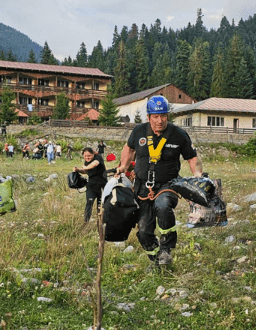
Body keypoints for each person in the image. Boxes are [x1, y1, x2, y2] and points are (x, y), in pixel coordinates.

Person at [115, 95, 201, 267]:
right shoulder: (139, 131)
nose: (160, 120)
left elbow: (192, 157)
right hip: (142, 188)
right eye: (155, 116)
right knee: (144, 230)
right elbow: (129, 149)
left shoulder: (178, 134)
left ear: (167, 116)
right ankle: (156, 260)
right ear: (148, 117)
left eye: (163, 116)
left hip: (168, 185)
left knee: (163, 206)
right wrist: (123, 166)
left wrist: (197, 175)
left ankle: (166, 248)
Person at [74, 147, 108, 222]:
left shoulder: (98, 158)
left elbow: (94, 164)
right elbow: (86, 171)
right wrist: (78, 170)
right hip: (91, 186)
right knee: (89, 203)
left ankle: (101, 223)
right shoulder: (86, 162)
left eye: (89, 155)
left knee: (100, 206)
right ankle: (86, 222)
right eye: (85, 156)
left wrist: (85, 167)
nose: (87, 157)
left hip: (101, 186)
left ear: (93, 154)